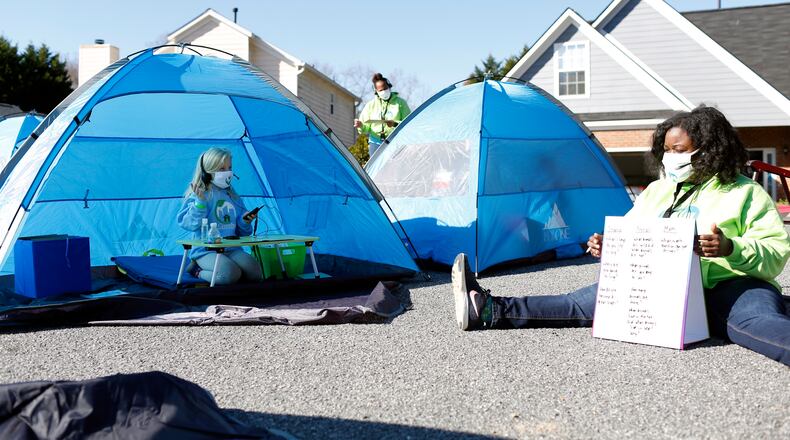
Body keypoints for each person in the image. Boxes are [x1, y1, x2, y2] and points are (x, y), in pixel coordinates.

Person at [452, 105, 790, 366]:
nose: (671, 158)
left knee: (758, 322)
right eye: (667, 150)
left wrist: (730, 247)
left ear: (709, 149)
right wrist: (609, 244)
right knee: (576, 304)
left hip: (729, 284)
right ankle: (489, 309)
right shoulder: (658, 190)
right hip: (659, 288)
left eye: (679, 149)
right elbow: (634, 235)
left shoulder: (744, 192)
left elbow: (775, 253)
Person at [177, 147, 263, 285]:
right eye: (221, 169)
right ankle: (196, 270)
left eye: (229, 167)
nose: (227, 172)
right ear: (207, 172)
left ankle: (228, 269)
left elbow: (244, 234)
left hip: (232, 249)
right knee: (229, 275)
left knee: (255, 274)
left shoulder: (233, 196)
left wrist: (245, 222)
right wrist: (200, 203)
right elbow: (189, 224)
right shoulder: (199, 194)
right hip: (206, 251)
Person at [354, 73, 411, 157]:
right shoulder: (370, 105)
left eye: (385, 88)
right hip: (375, 142)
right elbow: (365, 128)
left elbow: (408, 123)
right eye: (380, 90)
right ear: (376, 91)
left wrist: (395, 124)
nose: (384, 91)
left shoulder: (400, 103)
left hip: (395, 141)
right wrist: (360, 125)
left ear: (389, 87)